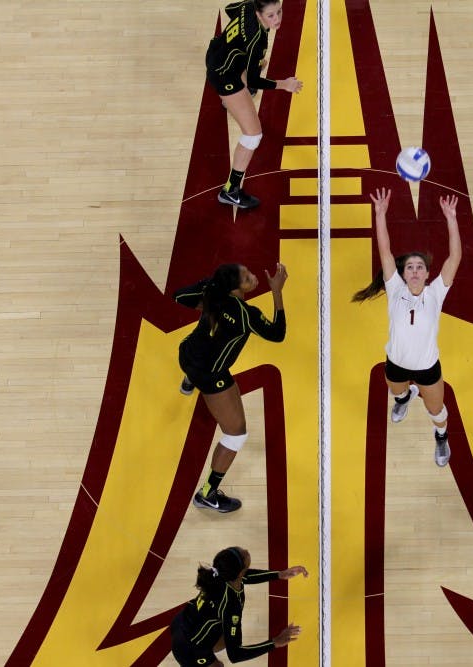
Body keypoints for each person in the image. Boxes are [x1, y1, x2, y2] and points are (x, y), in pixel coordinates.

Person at [352, 187, 462, 466]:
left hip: (427, 368)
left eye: (419, 267)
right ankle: (404, 398)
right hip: (396, 363)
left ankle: (441, 436)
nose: (414, 270)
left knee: (436, 411)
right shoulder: (395, 290)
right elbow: (385, 251)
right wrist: (380, 214)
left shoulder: (435, 293)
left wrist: (451, 218)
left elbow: (454, 259)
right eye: (410, 267)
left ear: (427, 274)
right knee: (397, 392)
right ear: (402, 274)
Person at [174, 262, 287, 512]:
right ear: (235, 288)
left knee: (200, 349)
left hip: (186, 354)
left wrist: (208, 286)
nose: (253, 277)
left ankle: (188, 380)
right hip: (210, 376)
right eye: (247, 278)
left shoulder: (212, 293)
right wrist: (277, 292)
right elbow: (277, 333)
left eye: (249, 272)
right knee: (236, 434)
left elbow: (179, 296)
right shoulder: (246, 315)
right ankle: (207, 494)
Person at [206, 0, 303, 210]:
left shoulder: (248, 5)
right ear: (259, 14)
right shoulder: (257, 39)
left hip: (216, 52)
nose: (277, 19)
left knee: (256, 63)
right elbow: (253, 80)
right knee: (253, 135)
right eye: (271, 15)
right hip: (224, 75)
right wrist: (284, 84)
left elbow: (230, 9)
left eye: (279, 12)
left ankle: (232, 101)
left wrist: (241, 43)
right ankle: (230, 190)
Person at [169, 546, 307, 666]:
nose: (245, 550)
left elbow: (245, 576)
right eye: (243, 555)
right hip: (189, 647)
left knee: (224, 639)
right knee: (219, 665)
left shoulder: (221, 574)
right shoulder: (230, 605)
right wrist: (275, 642)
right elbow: (235, 655)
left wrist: (280, 574)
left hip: (185, 622)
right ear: (240, 572)